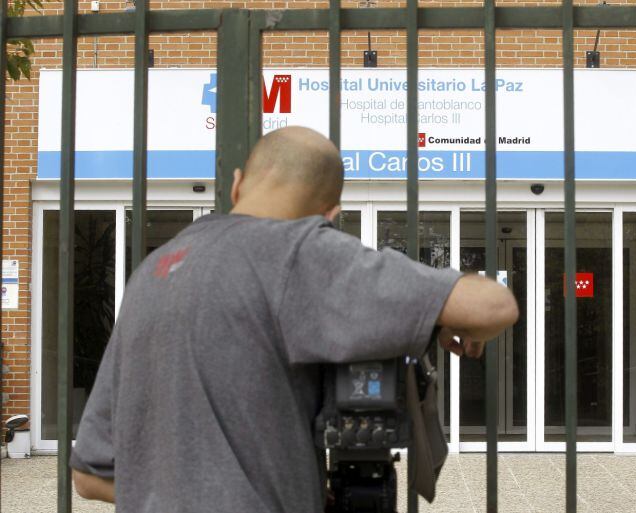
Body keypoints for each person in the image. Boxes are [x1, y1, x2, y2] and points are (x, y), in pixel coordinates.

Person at [71, 126, 518, 512]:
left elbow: (90, 475)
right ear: (330, 215)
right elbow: (495, 307)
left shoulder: (153, 271)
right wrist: (440, 320)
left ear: (237, 183)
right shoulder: (302, 253)